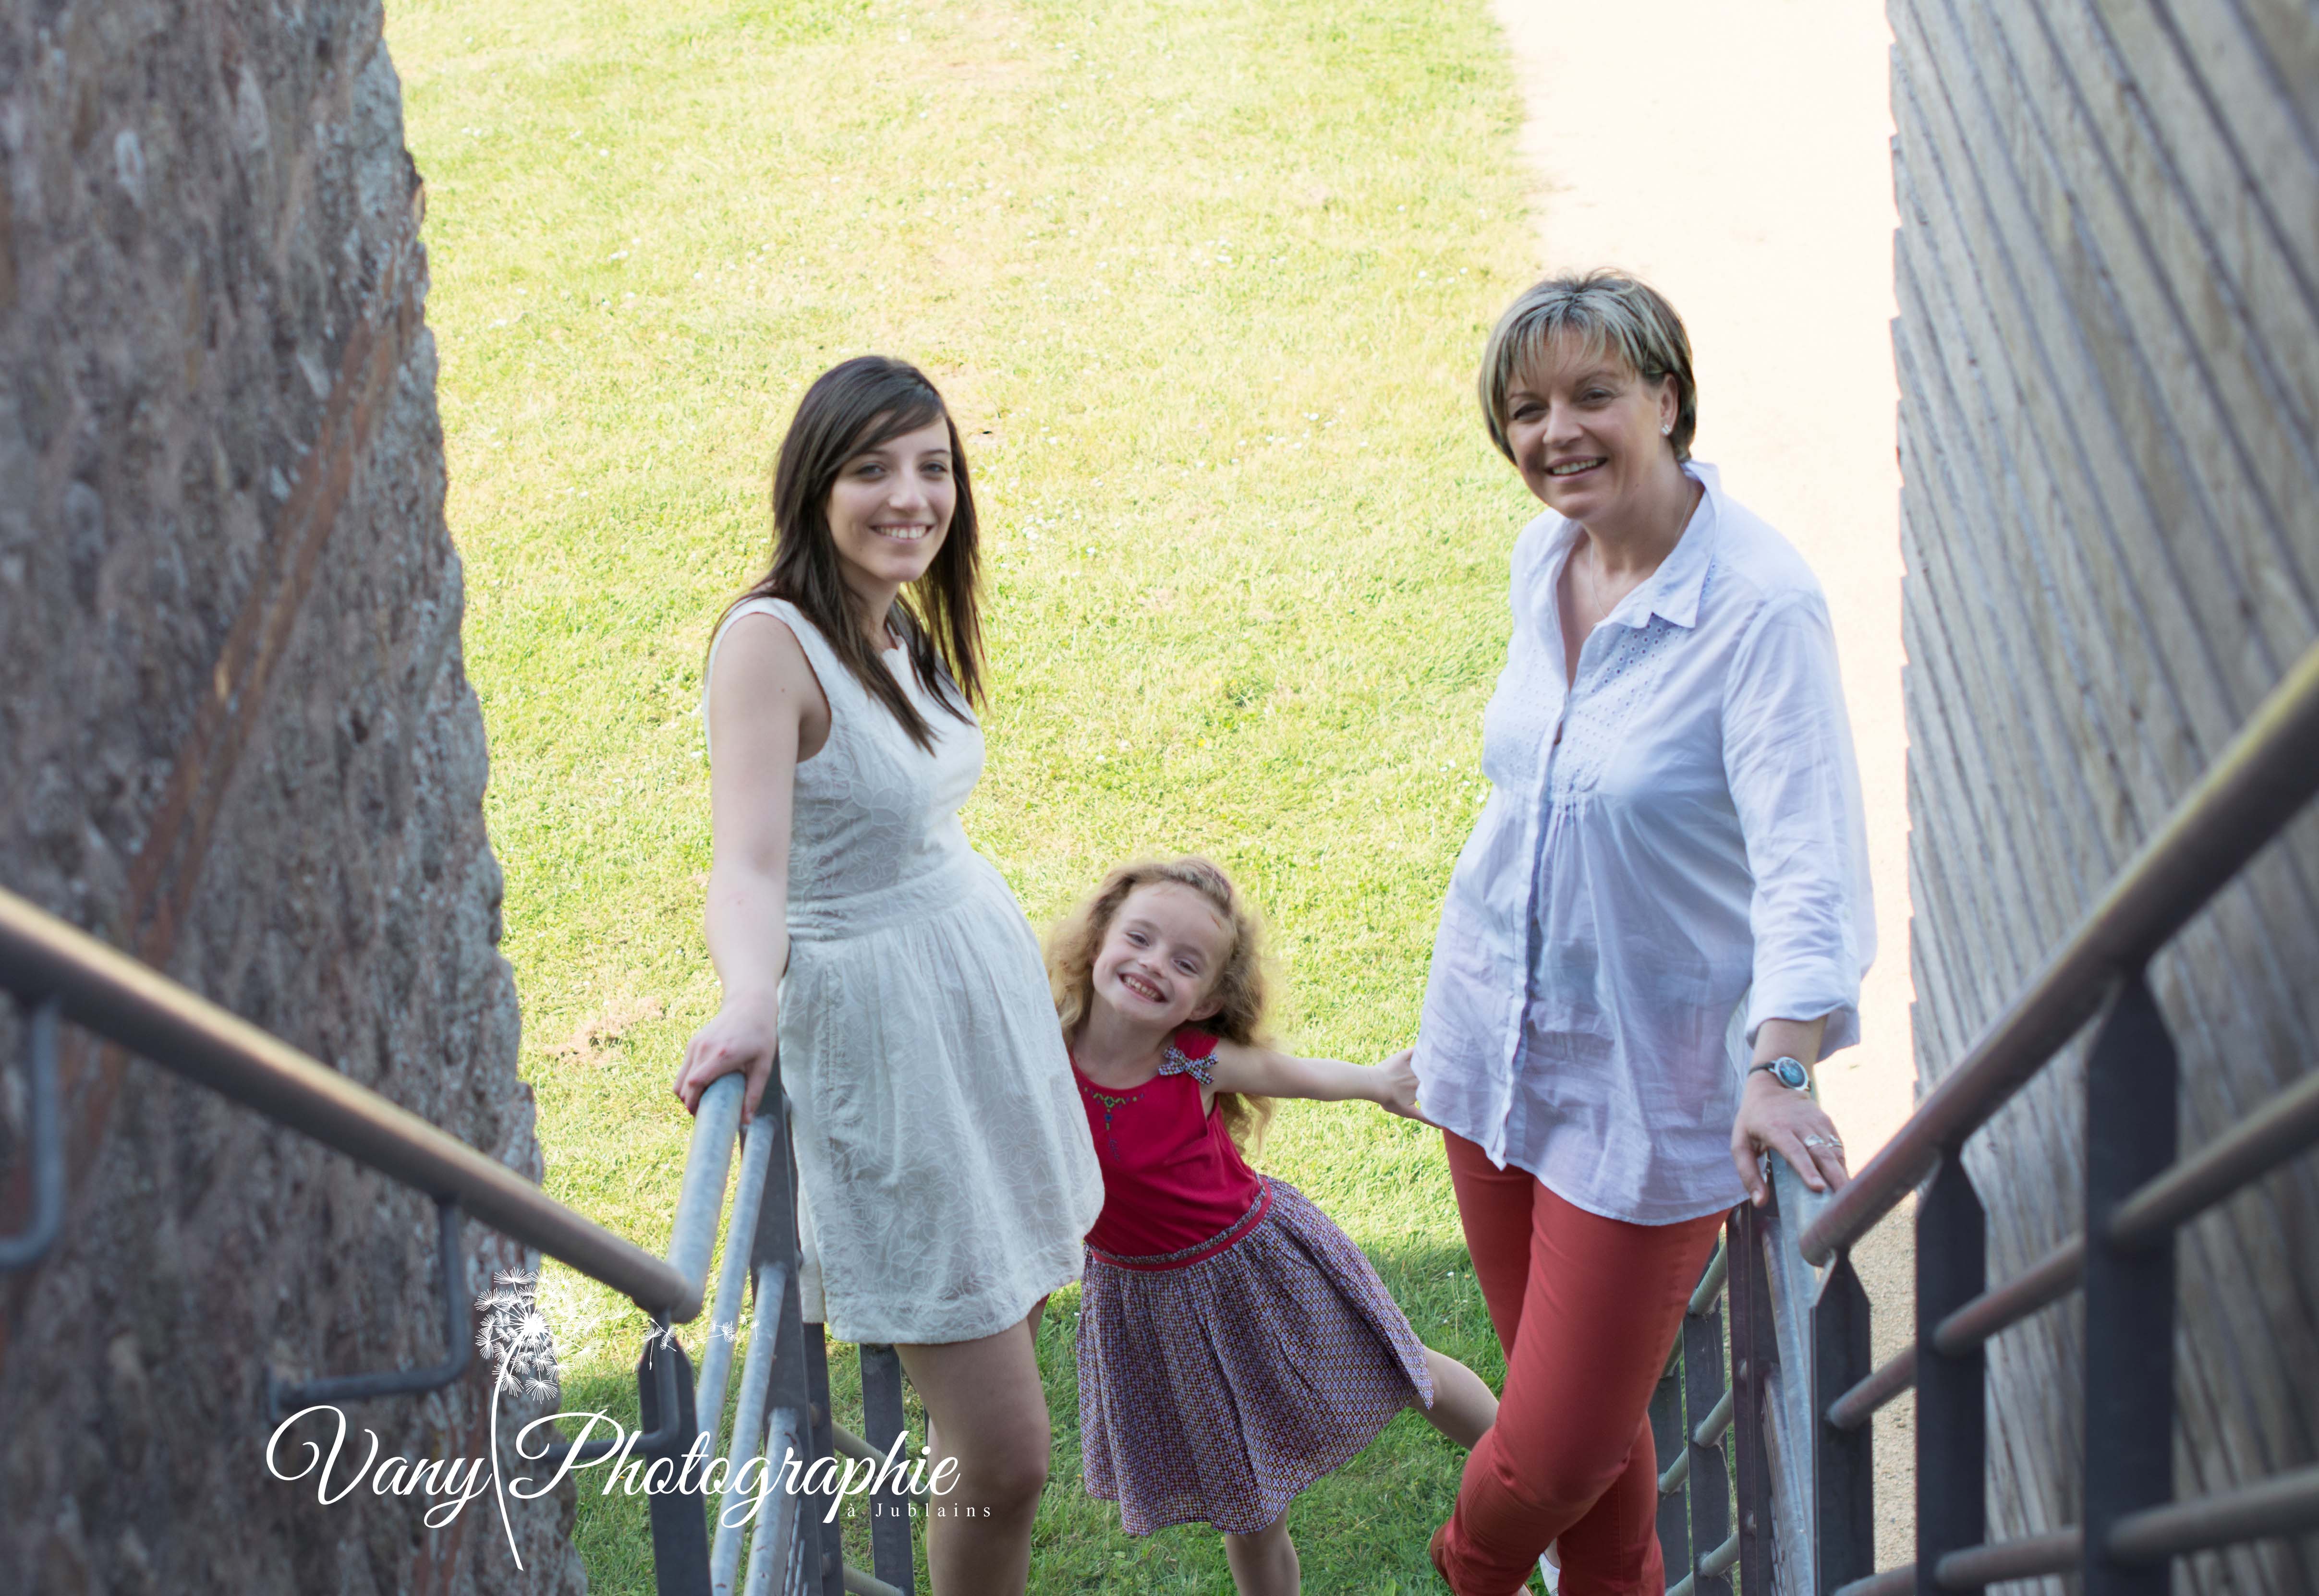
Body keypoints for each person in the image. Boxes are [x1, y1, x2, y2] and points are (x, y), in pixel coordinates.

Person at [1414, 272, 1875, 1596]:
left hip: (1647, 1087)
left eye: (1592, 395)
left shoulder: (1756, 608)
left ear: (1666, 397)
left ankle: (1464, 1574)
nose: (1555, 432)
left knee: (1551, 1452)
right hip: (1490, 1045)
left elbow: (1806, 868)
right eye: (1524, 409)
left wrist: (1779, 1063)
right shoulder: (1544, 554)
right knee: (1600, 1448)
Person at [672, 355, 1104, 1596]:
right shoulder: (770, 644)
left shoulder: (893, 614)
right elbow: (748, 866)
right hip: (888, 1046)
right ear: (813, 484)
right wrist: (748, 995)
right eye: (871, 468)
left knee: (999, 1404)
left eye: (932, 467)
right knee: (1005, 1455)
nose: (909, 498)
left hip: (971, 1017)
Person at [1048, 857, 1501, 1596]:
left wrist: (1380, 1084)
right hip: (1151, 1306)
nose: (1153, 965)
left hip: (1257, 1270)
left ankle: (1530, 1480)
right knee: (1247, 1498)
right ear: (1097, 941)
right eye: (1139, 939)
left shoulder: (1190, 1065)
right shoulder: (1043, 1055)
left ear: (1203, 1002)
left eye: (1185, 963)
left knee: (1404, 1368)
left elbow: (1301, 1076)